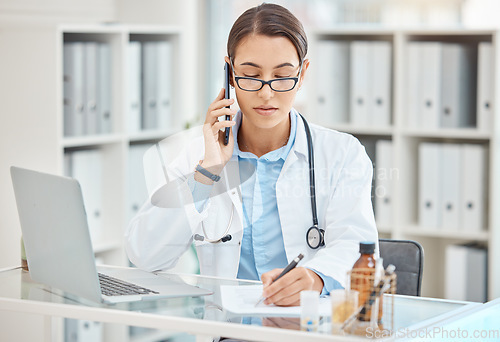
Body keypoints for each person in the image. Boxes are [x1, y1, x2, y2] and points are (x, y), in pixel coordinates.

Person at [125, 3, 378, 307]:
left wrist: (316, 277)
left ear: (303, 72)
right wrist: (208, 172)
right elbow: (145, 254)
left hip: (308, 329)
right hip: (229, 333)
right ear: (230, 74)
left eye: (283, 76)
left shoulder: (342, 155)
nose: (267, 93)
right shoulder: (199, 155)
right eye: (251, 75)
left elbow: (355, 244)